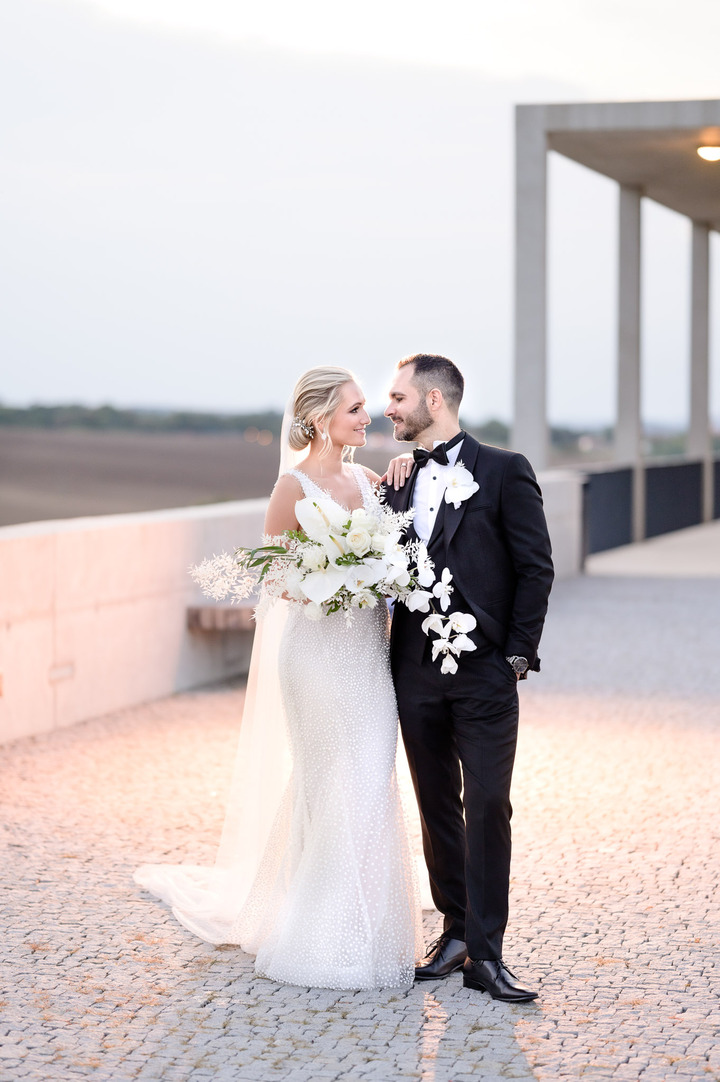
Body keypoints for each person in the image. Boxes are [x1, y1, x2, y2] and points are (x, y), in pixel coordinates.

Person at [135, 366, 422, 990]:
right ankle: (321, 930)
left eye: (367, 406)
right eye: (355, 407)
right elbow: (272, 577)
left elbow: (399, 540)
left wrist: (378, 552)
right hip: (316, 657)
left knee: (370, 777)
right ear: (321, 417)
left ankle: (367, 920)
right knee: (330, 782)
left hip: (368, 659)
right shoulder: (290, 487)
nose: (366, 416)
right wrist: (332, 584)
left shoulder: (371, 479)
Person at [383, 353, 554, 1002]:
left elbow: (536, 567)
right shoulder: (395, 481)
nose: (389, 408)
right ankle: (453, 933)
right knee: (436, 806)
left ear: (434, 401)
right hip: (414, 671)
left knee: (488, 804)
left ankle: (487, 954)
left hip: (485, 672)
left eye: (399, 397)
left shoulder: (506, 471)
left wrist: (516, 654)